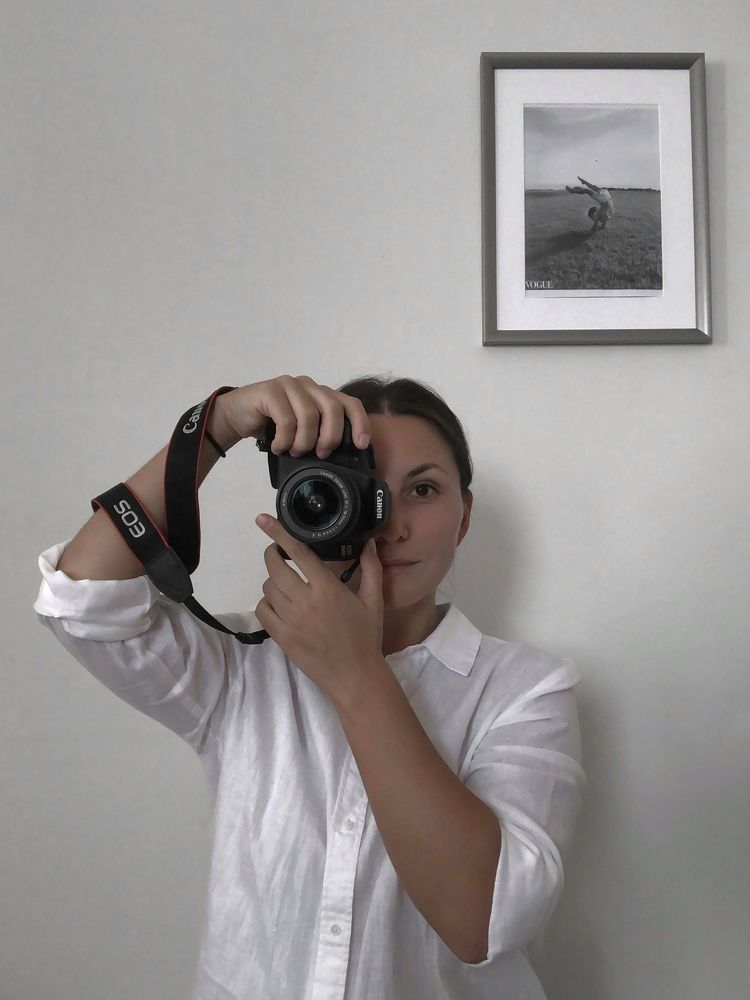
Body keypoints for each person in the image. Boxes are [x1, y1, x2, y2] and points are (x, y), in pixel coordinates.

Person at [33, 374, 585, 1000]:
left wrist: (356, 675)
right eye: (359, 488)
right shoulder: (241, 665)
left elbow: (482, 922)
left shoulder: (526, 690)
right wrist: (215, 427)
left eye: (422, 490)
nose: (388, 524)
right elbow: (80, 601)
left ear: (465, 518)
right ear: (300, 496)